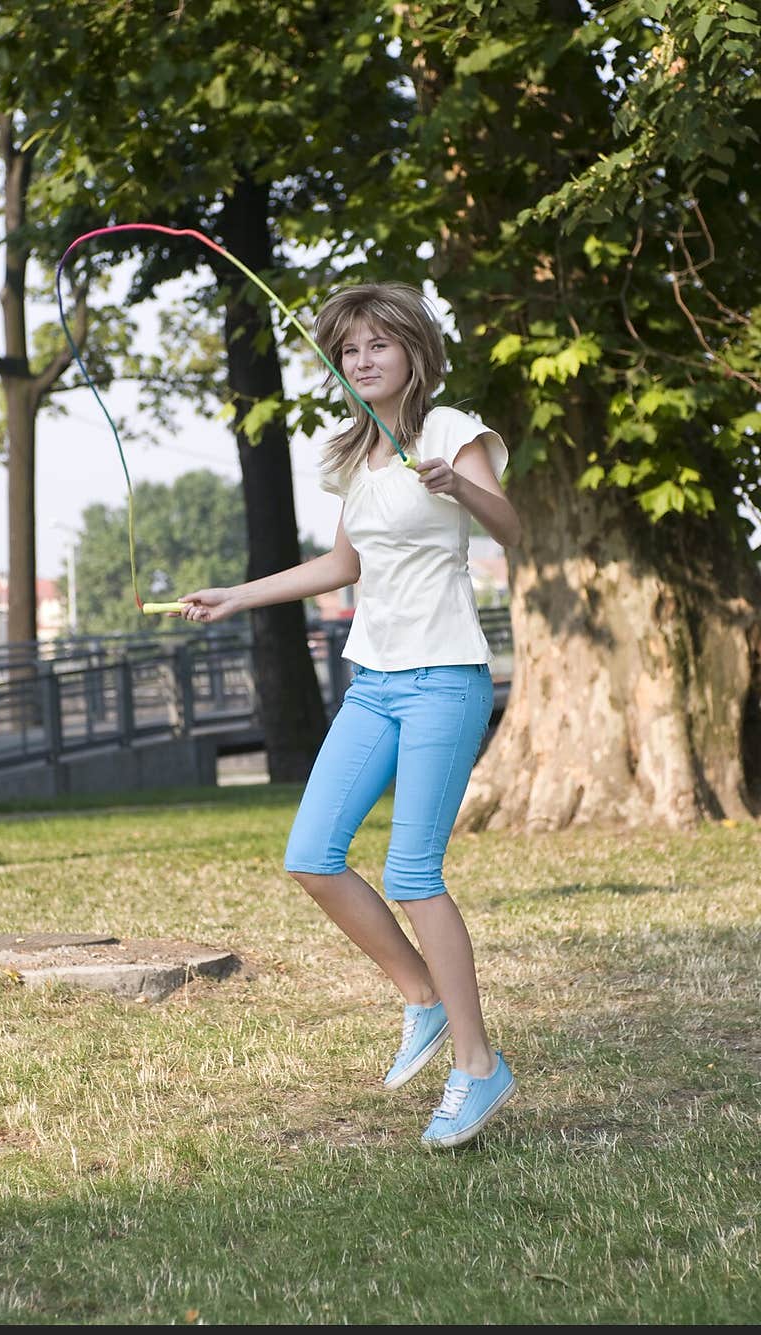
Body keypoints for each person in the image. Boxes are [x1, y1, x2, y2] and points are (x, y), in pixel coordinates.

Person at [175, 282, 522, 1149]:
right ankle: (423, 997)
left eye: (378, 344)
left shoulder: (452, 433)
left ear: (412, 349)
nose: (362, 360)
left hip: (445, 676)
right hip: (373, 679)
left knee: (412, 873)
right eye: (350, 349)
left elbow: (511, 528)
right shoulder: (352, 451)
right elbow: (341, 564)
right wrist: (238, 595)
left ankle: (478, 1068)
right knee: (312, 855)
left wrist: (461, 488)